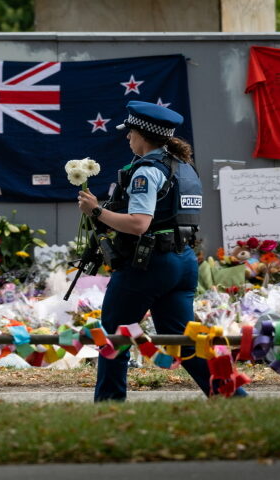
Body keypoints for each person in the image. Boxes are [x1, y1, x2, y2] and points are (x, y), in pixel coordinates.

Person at [77, 100, 246, 402]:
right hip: (183, 262)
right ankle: (232, 396)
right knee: (183, 339)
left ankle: (108, 406)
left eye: (130, 131)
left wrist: (96, 211)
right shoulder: (184, 168)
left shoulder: (146, 172)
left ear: (142, 134)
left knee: (114, 333)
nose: (127, 137)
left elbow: (139, 224)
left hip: (149, 264)